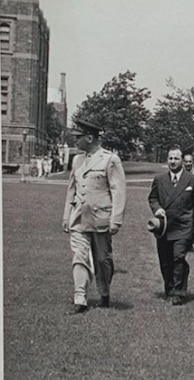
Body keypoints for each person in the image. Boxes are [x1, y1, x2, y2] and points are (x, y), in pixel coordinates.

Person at [61, 119, 126, 314]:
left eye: (78, 137)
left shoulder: (110, 159)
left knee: (102, 260)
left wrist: (116, 219)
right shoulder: (77, 160)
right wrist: (66, 215)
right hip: (79, 218)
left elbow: (118, 191)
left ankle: (104, 292)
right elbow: (71, 189)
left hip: (100, 218)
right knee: (79, 256)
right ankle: (80, 298)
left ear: (90, 138)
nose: (75, 141)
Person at [148, 147, 194, 305]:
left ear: (182, 161)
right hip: (164, 226)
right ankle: (169, 288)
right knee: (165, 259)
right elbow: (153, 198)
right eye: (170, 158)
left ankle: (178, 291)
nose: (173, 161)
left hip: (184, 225)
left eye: (176, 159)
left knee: (178, 257)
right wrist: (157, 209)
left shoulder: (193, 180)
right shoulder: (160, 179)